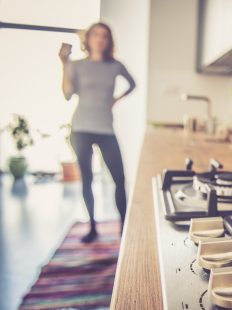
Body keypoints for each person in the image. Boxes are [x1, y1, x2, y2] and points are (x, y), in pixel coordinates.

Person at [59, 22, 136, 243]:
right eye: (96, 35)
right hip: (81, 129)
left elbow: (133, 84)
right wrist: (64, 63)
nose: (100, 39)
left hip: (105, 129)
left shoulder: (115, 66)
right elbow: (67, 94)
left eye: (105, 36)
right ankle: (92, 227)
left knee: (119, 179)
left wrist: (115, 99)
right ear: (89, 39)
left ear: (108, 40)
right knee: (87, 180)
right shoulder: (77, 65)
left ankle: (124, 228)